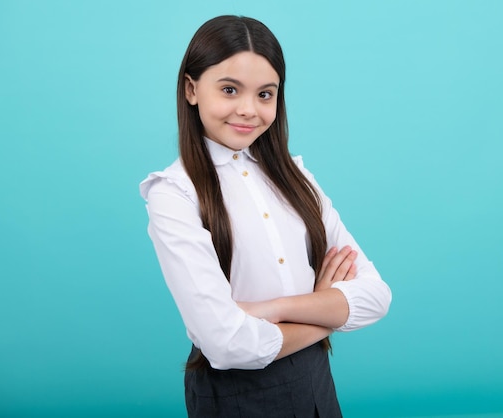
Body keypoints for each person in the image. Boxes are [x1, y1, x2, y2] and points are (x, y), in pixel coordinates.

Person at [140, 15, 392, 418]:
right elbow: (225, 343)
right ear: (191, 89)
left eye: (265, 94)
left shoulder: (296, 177)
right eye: (229, 89)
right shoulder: (174, 194)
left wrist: (270, 308)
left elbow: (377, 297)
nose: (248, 110)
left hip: (316, 382)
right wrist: (323, 312)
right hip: (234, 396)